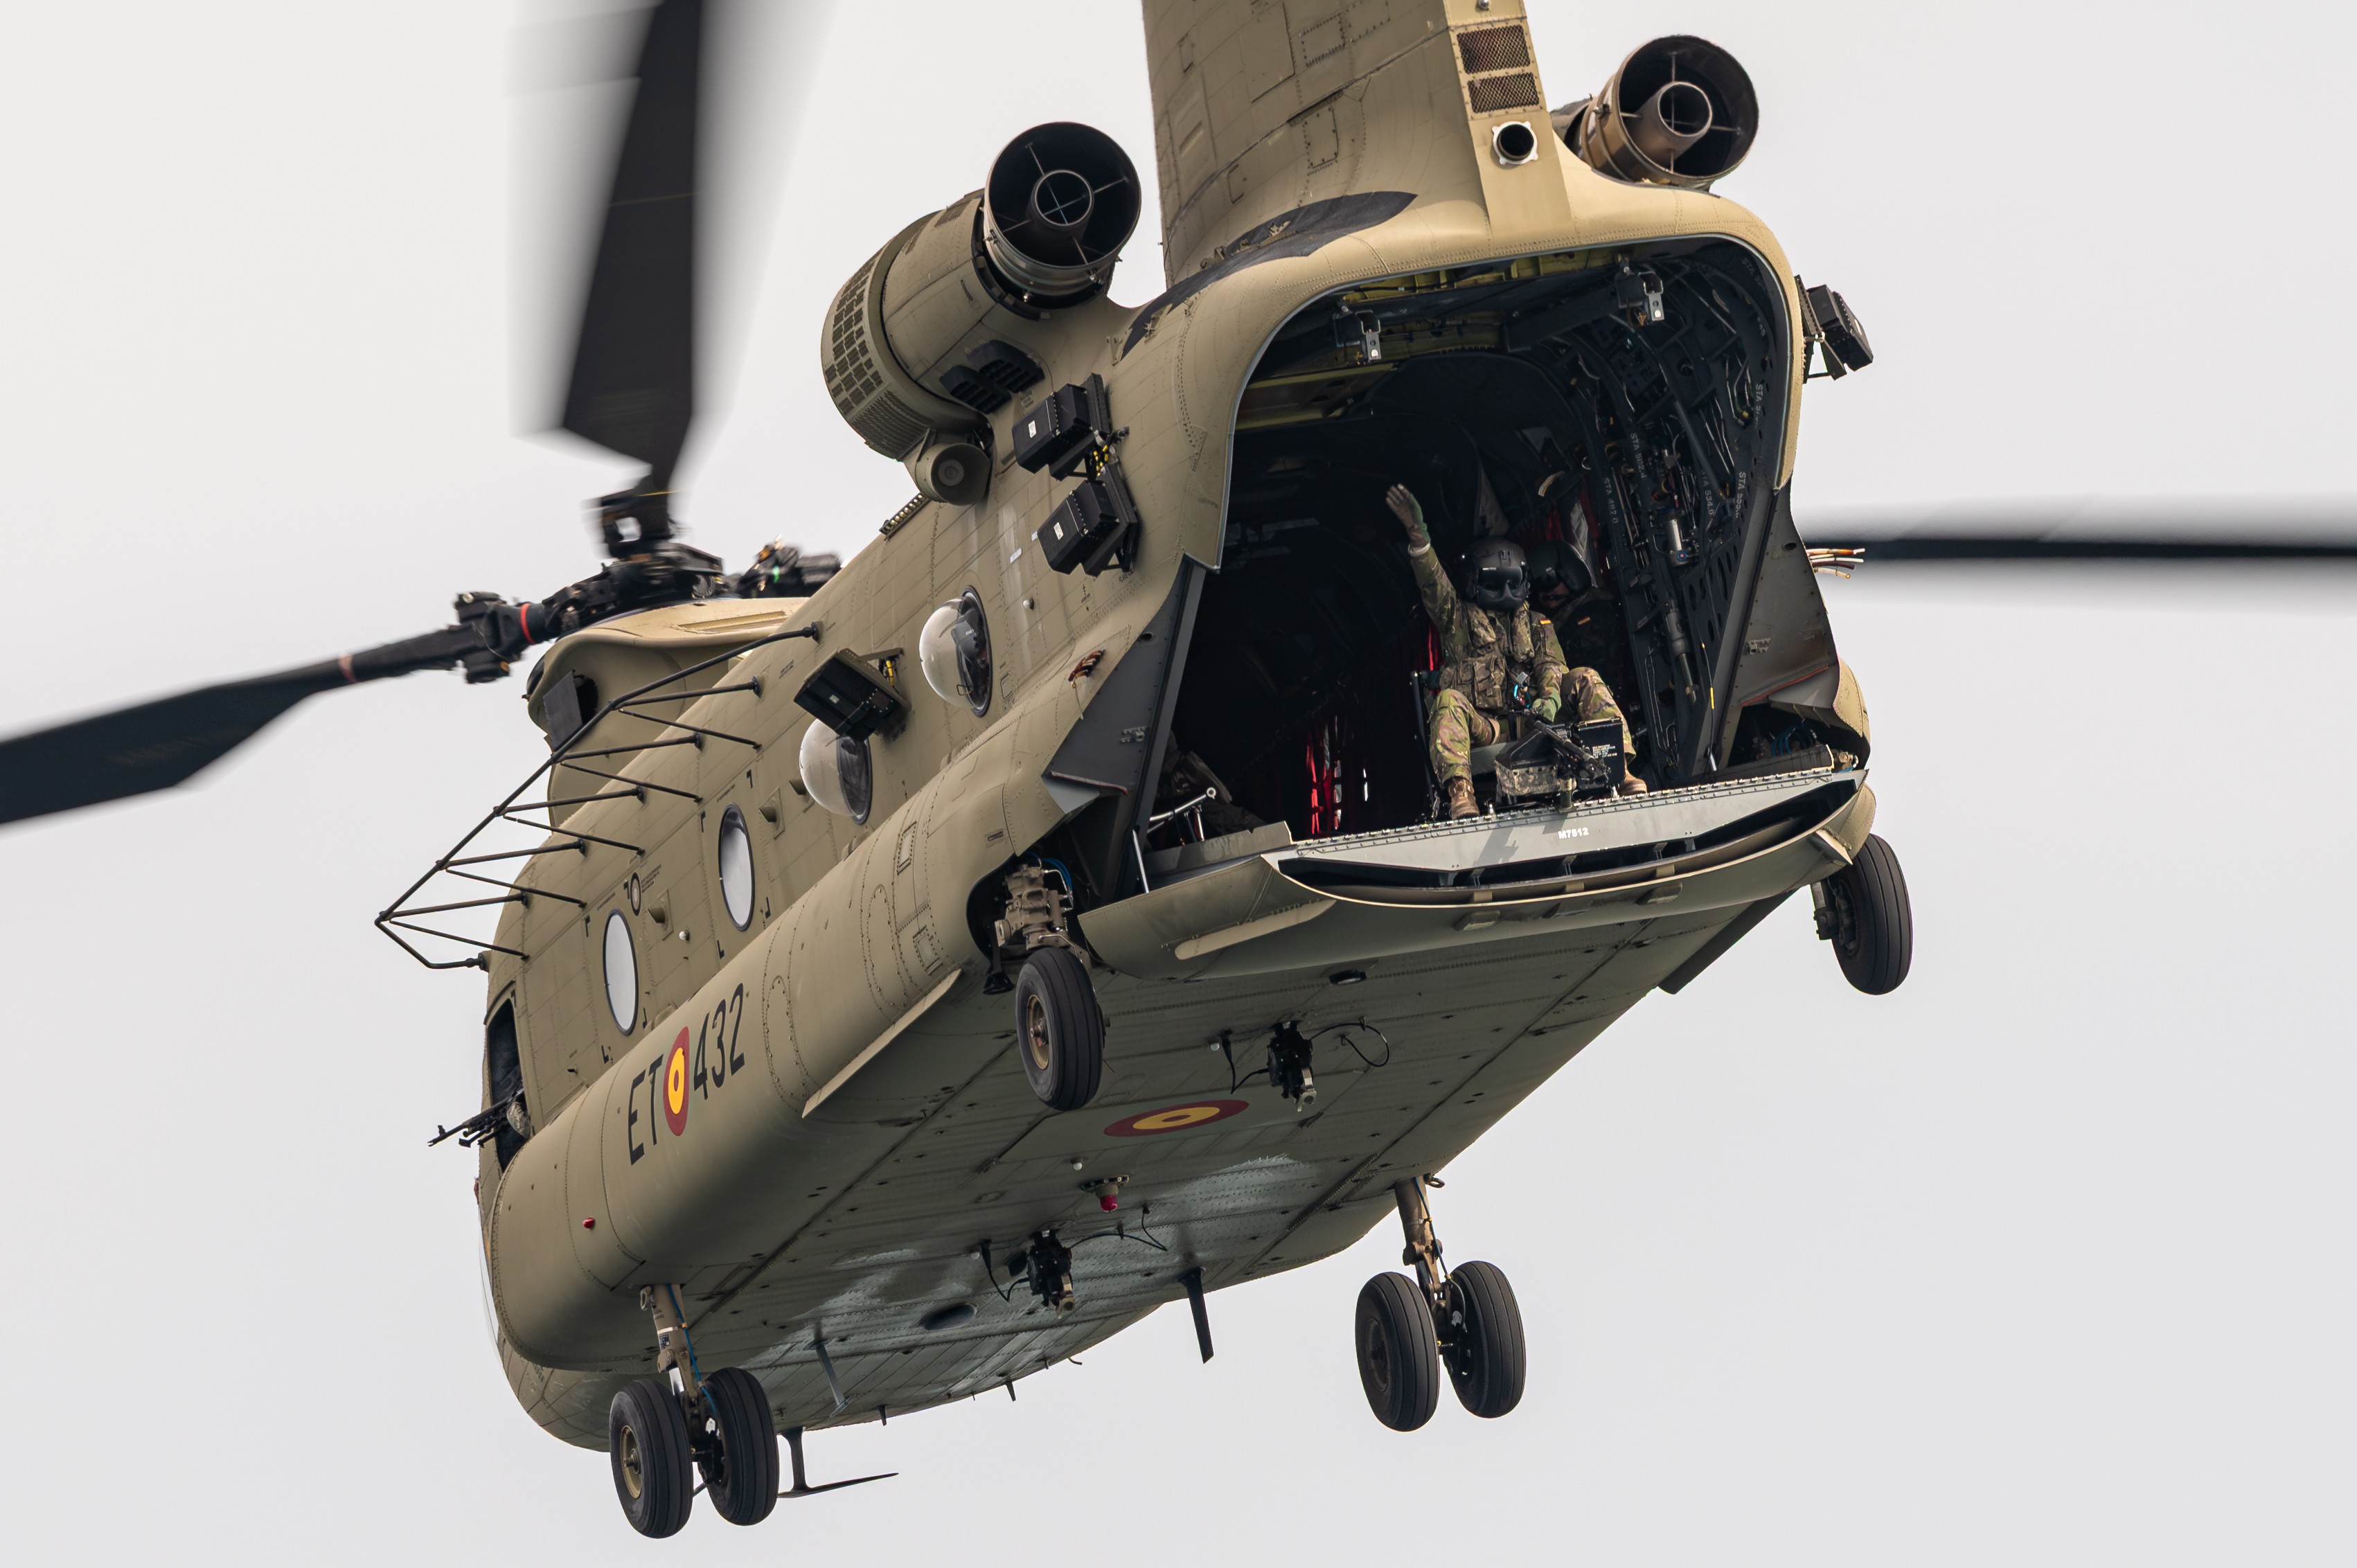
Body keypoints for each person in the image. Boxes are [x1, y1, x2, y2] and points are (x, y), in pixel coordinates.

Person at [1389, 483, 1642, 818]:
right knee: (1447, 700)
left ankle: (1620, 771)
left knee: (1585, 678)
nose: (1506, 592)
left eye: (1513, 582)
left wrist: (1550, 700)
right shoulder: (1458, 620)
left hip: (1540, 721)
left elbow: (1552, 665)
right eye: (1495, 584)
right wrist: (1418, 537)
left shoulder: (1538, 624)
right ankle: (1461, 795)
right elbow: (1433, 586)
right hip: (1488, 726)